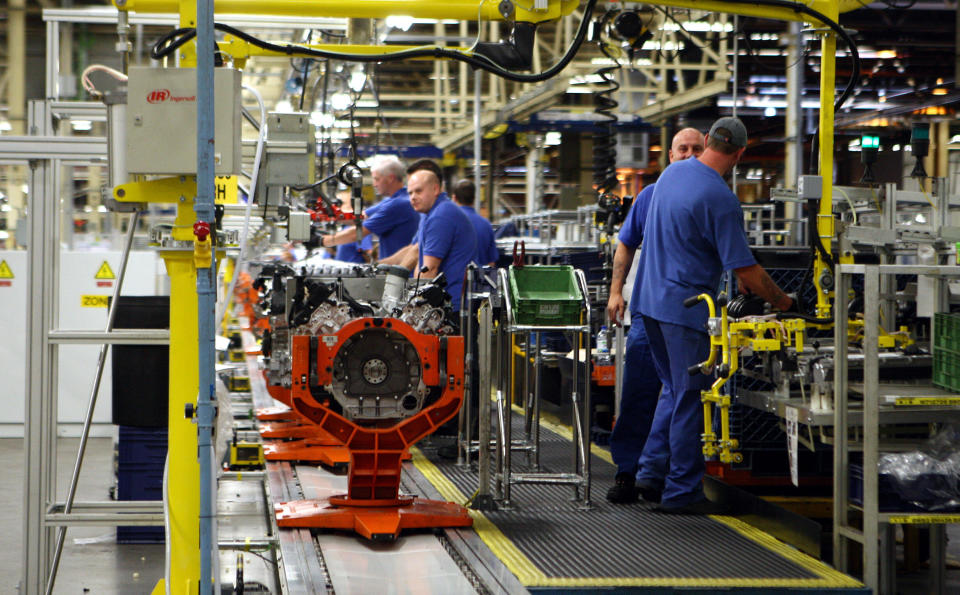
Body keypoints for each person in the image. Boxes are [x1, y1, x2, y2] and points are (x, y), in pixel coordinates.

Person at [634, 117, 794, 514]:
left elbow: (687, 240)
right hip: (684, 310)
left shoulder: (670, 175)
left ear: (706, 141)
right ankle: (680, 493)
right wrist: (785, 302)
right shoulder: (721, 199)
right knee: (690, 397)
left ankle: (650, 473)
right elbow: (748, 271)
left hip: (648, 303)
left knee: (672, 390)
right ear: (740, 154)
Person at [605, 127, 704, 504]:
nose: (689, 154)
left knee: (681, 397)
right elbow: (625, 244)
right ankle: (629, 472)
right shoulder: (649, 197)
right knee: (640, 391)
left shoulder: (711, 196)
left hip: (691, 314)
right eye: (682, 148)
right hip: (648, 311)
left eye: (697, 148)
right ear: (671, 155)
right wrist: (616, 292)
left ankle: (657, 476)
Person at [321, 155, 420, 259]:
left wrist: (322, 240)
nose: (374, 184)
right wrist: (328, 212)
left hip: (401, 270)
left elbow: (357, 233)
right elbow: (359, 217)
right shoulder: (392, 200)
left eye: (377, 179)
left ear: (390, 178)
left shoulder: (398, 204)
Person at [407, 169, 476, 311]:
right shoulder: (428, 214)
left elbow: (429, 269)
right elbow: (420, 259)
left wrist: (414, 307)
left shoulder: (441, 216)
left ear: (435, 189)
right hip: (443, 303)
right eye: (410, 193)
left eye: (418, 191)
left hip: (451, 307)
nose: (413, 197)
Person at [452, 179, 499, 267]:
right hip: (481, 278)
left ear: (454, 198)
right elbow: (491, 263)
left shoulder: (450, 223)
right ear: (474, 198)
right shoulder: (486, 224)